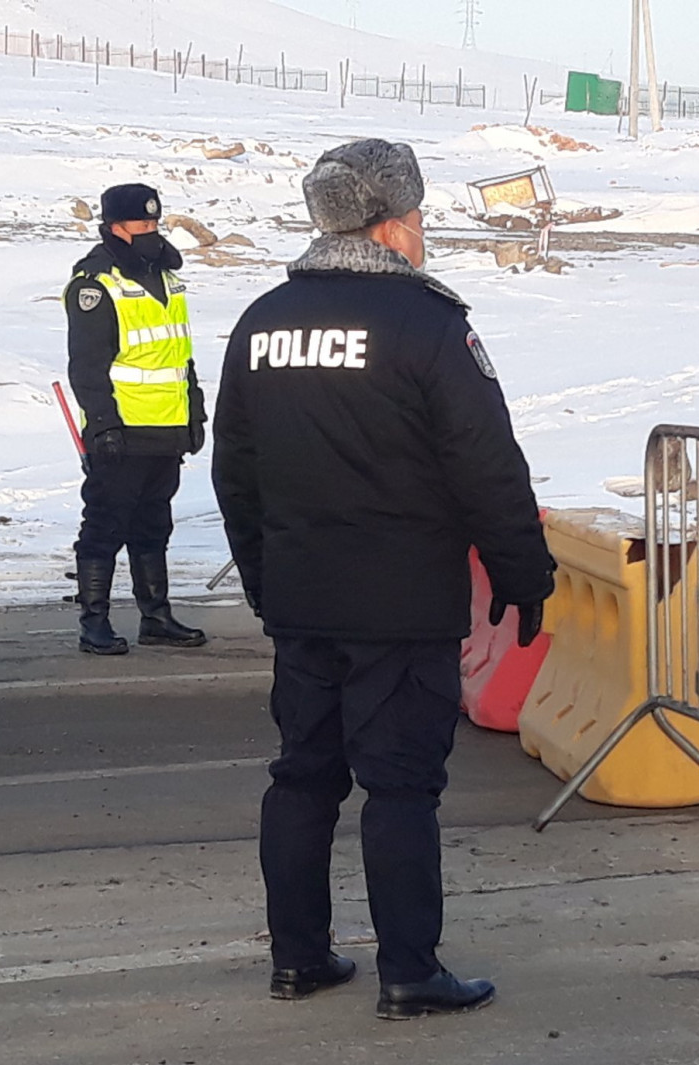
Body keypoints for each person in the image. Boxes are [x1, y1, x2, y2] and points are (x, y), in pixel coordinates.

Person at [212, 139, 555, 1019]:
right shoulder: (428, 325)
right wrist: (523, 570)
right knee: (401, 785)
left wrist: (264, 576)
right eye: (420, 218)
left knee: (303, 776)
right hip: (401, 603)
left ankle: (298, 956)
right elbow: (486, 466)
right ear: (393, 224)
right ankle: (410, 968)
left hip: (302, 596)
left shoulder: (263, 321)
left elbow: (236, 471)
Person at [64, 183, 207, 655]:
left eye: (154, 224)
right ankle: (94, 622)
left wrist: (194, 409)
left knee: (154, 524)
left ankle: (156, 615)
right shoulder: (95, 283)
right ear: (114, 227)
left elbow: (178, 352)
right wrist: (102, 424)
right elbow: (87, 365)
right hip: (122, 430)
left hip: (166, 426)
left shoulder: (166, 275)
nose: (150, 231)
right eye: (140, 225)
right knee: (105, 524)